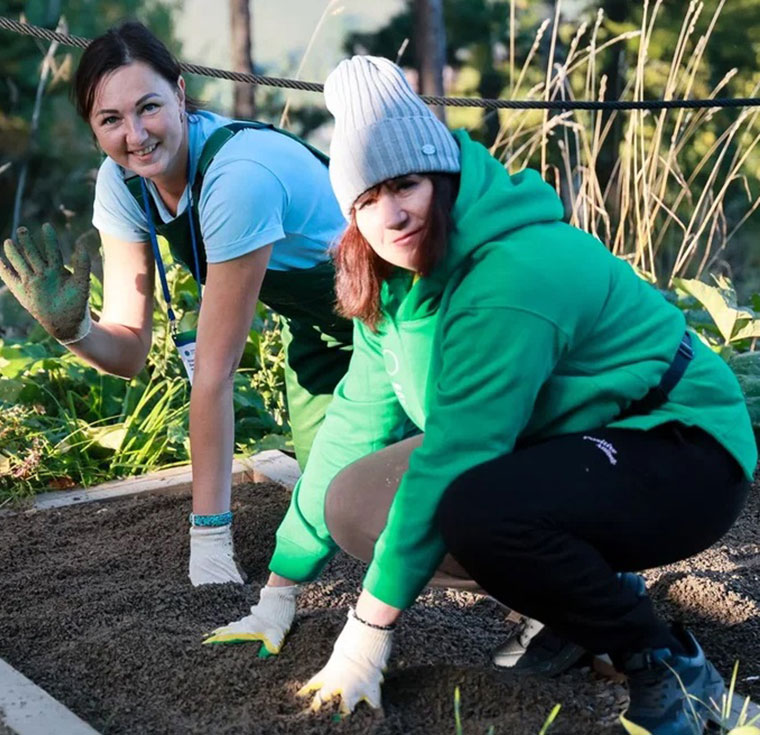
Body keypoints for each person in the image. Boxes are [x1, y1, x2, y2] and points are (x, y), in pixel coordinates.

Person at [206, 56, 756, 734]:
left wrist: (367, 629)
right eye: (367, 200)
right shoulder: (396, 282)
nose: (393, 213)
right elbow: (357, 417)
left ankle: (665, 660)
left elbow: (459, 455)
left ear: (442, 175)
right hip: (574, 444)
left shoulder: (512, 273)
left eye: (405, 184)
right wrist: (281, 586)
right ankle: (579, 612)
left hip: (681, 449)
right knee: (355, 501)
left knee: (476, 508)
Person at [0, 22, 353, 587]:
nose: (135, 135)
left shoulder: (238, 178)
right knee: (343, 507)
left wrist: (209, 535)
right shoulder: (123, 183)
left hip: (403, 311)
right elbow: (130, 350)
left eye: (149, 107)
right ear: (93, 130)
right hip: (323, 335)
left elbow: (214, 374)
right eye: (110, 120)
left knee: (444, 480)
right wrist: (75, 331)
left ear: (181, 94)